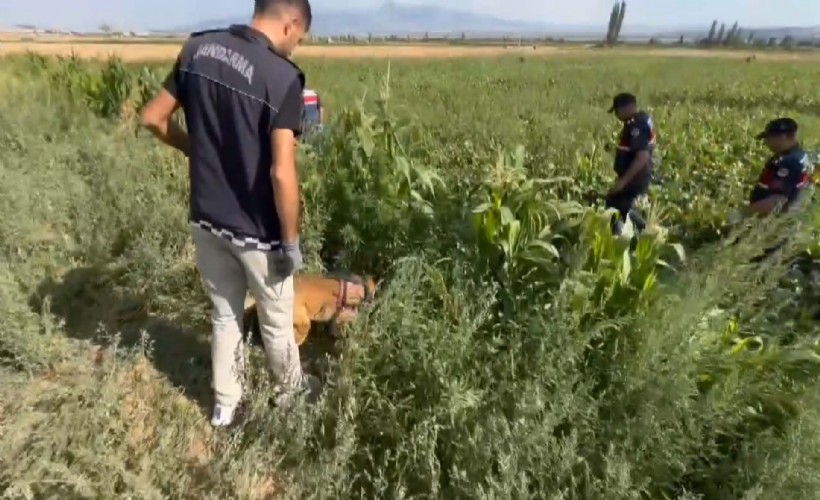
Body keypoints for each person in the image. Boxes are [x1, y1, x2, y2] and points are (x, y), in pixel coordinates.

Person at [140, 0, 318, 427]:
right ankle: (291, 397)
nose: (295, 47)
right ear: (291, 24)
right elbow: (281, 171)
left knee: (224, 314)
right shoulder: (282, 77)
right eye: (300, 38)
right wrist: (290, 242)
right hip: (258, 231)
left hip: (206, 217)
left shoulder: (198, 49)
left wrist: (195, 149)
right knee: (276, 322)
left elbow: (152, 118)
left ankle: (224, 408)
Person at [605, 92, 657, 236]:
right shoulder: (642, 119)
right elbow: (634, 149)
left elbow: (642, 156)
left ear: (627, 107)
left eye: (617, 111)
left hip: (635, 176)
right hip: (638, 174)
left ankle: (638, 236)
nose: (616, 115)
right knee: (621, 205)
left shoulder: (636, 125)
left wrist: (623, 181)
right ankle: (636, 236)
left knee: (621, 207)